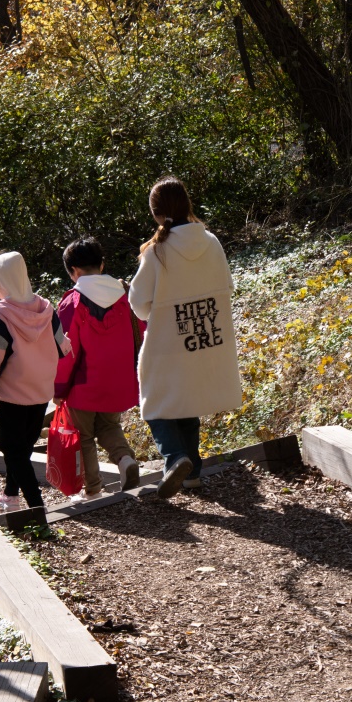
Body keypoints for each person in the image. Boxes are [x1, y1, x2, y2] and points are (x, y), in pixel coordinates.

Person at [127, 177, 243, 499]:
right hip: (206, 338)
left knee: (155, 403)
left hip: (166, 344)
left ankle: (175, 457)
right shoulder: (212, 242)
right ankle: (192, 474)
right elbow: (226, 287)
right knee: (187, 400)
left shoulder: (157, 252)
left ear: (156, 212)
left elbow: (138, 303)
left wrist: (159, 309)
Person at [54, 236, 144, 498]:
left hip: (83, 384)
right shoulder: (126, 295)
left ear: (73, 271)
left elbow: (65, 351)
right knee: (109, 427)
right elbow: (142, 331)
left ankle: (93, 489)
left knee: (83, 436)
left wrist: (58, 388)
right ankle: (125, 460)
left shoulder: (72, 303)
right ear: (101, 265)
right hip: (119, 380)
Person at [0, 251, 64, 511]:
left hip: (12, 394)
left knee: (12, 450)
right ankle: (10, 495)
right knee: (23, 447)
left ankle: (36, 507)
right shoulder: (47, 310)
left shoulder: (0, 317)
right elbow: (62, 346)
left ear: (1, 281)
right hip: (41, 391)